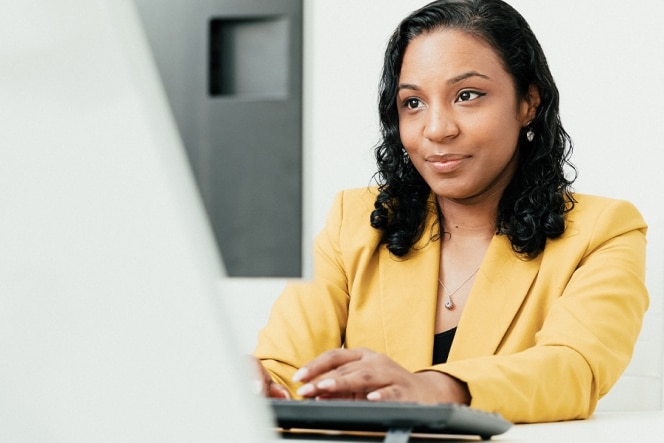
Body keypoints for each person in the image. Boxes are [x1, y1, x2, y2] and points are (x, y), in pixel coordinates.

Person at [253, 0, 648, 424]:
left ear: (528, 102)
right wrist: (251, 380)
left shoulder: (604, 231)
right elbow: (285, 370)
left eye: (467, 95)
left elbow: (574, 370)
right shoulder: (355, 221)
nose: (437, 129)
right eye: (413, 103)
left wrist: (433, 389)